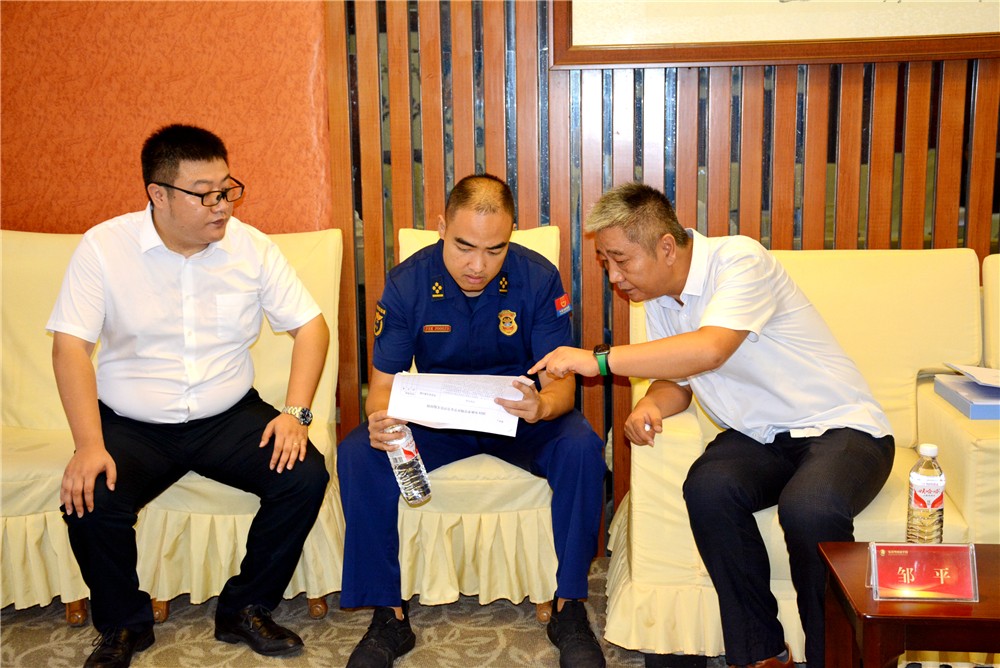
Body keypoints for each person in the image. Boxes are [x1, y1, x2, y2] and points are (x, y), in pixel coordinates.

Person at [529, 182, 895, 668]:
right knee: (708, 488)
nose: (614, 277)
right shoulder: (660, 299)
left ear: (666, 247)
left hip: (843, 428)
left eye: (621, 260)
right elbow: (678, 378)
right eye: (606, 263)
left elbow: (710, 349)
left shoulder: (740, 260)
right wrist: (652, 404)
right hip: (762, 438)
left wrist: (597, 360)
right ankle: (762, 654)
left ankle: (837, 658)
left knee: (808, 508)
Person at [48, 124, 331, 668]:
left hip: (227, 415)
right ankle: (124, 625)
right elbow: (70, 349)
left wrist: (295, 413)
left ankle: (245, 608)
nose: (222, 205)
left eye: (227, 189)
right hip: (133, 422)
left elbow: (311, 327)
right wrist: (89, 445)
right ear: (158, 194)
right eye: (204, 194)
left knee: (303, 476)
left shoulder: (251, 247)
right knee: (90, 498)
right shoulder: (104, 247)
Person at [338, 174, 607, 668]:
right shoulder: (406, 282)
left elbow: (562, 388)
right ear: (442, 227)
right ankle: (389, 615)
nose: (477, 265)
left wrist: (542, 407)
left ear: (511, 236)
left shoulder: (538, 277)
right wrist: (381, 418)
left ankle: (569, 606)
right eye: (464, 246)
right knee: (359, 451)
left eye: (494, 249)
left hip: (519, 417)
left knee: (582, 445)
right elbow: (382, 386)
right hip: (438, 419)